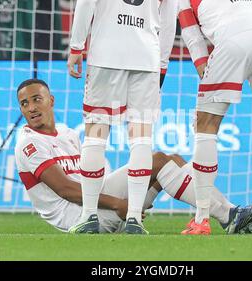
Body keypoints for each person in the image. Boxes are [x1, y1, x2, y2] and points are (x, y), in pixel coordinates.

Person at [14, 79, 252, 234]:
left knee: (172, 160)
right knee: (156, 161)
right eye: (24, 104)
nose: (32, 108)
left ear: (51, 101)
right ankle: (229, 216)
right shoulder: (29, 144)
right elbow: (66, 189)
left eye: (36, 99)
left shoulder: (68, 134)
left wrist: (122, 202)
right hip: (80, 218)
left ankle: (229, 213)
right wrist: (120, 204)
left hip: (102, 205)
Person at [175, 0, 252, 235]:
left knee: (206, 125)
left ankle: (202, 219)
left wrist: (203, 65)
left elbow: (192, 36)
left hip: (235, 36)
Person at [67, 0, 177, 234]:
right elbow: (169, 21)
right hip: (147, 58)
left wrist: (76, 47)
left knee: (96, 134)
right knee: (141, 137)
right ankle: (134, 218)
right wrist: (163, 64)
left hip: (106, 56)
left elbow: (85, 3)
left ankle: (89, 215)